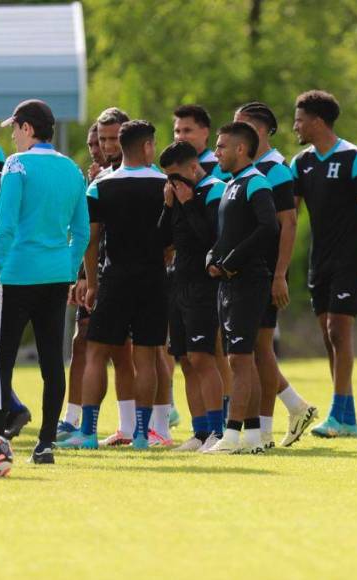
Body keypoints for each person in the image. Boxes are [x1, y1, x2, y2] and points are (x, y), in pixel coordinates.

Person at [0, 99, 89, 465]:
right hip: (56, 276)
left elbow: (5, 223)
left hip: (17, 273)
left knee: (0, 359)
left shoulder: (16, 165)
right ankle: (45, 444)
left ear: (28, 128)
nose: (12, 134)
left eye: (15, 128)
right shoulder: (73, 169)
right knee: (51, 360)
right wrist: (69, 269)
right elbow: (83, 232)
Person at [58, 120, 167, 451]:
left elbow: (90, 239)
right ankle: (140, 436)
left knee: (95, 353)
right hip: (153, 280)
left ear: (121, 146)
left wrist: (91, 283)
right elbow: (171, 240)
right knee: (146, 357)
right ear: (147, 147)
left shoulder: (101, 186)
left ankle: (88, 433)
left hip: (114, 280)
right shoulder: (166, 184)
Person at [291, 90, 357, 442]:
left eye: (299, 119)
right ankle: (347, 415)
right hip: (320, 260)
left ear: (317, 121)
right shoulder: (300, 163)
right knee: (330, 338)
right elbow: (291, 216)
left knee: (339, 331)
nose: (295, 126)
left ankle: (338, 413)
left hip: (350, 258)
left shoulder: (355, 158)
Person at [203, 121, 279, 454]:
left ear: (240, 149)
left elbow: (268, 227)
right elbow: (224, 234)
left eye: (221, 146)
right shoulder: (230, 184)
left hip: (249, 280)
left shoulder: (256, 183)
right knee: (238, 357)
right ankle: (251, 437)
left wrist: (232, 261)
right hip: (228, 282)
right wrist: (212, 257)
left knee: (239, 358)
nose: (216, 152)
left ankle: (232, 435)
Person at [233, 102, 305, 449]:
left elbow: (288, 222)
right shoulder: (246, 168)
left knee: (255, 348)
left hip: (264, 272)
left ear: (257, 130)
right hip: (246, 271)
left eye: (239, 125)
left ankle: (263, 430)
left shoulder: (276, 168)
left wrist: (280, 274)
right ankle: (279, 418)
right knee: (258, 348)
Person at [158, 141, 228, 451]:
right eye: (167, 178)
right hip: (178, 283)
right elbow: (163, 240)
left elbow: (212, 239)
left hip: (204, 286)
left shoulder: (214, 190)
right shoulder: (175, 194)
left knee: (203, 357)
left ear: (192, 167)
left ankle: (218, 429)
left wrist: (187, 204)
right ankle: (199, 431)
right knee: (185, 359)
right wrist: (169, 206)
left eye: (176, 176)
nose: (172, 183)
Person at [57, 123, 108, 441]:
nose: (95, 148)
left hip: (116, 276)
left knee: (128, 351)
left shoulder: (128, 178)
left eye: (101, 141)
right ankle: (73, 417)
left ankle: (153, 417)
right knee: (81, 342)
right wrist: (78, 276)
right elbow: (79, 231)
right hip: (90, 276)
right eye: (93, 142)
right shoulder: (88, 181)